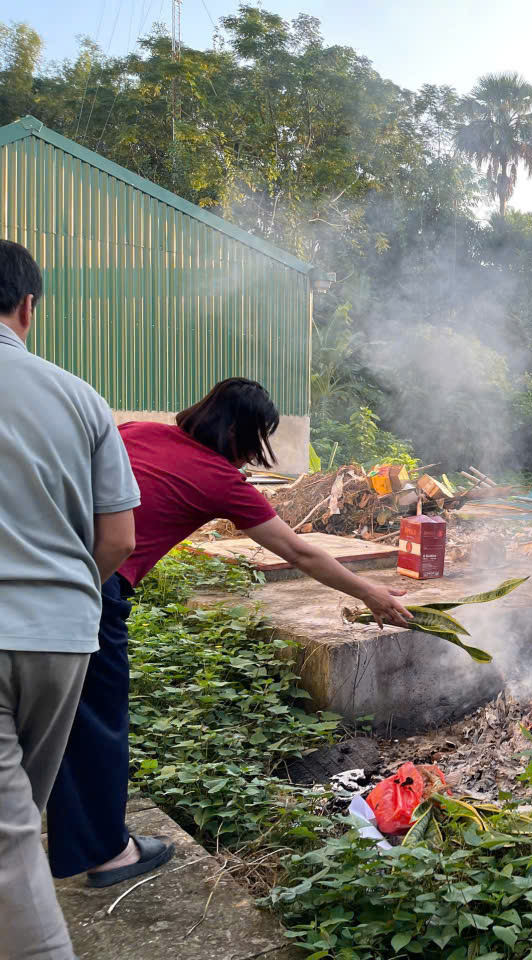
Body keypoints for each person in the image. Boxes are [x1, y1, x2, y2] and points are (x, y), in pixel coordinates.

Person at [46, 377, 413, 888]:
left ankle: (40, 828)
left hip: (38, 565)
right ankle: (108, 854)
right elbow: (299, 551)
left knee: (44, 710)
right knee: (97, 720)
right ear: (243, 433)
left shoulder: (137, 433)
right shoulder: (220, 480)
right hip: (94, 584)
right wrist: (371, 593)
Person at [0, 239, 140, 960]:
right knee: (17, 813)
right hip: (61, 638)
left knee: (10, 839)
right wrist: (67, 591)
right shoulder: (81, 397)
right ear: (28, 306)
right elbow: (118, 538)